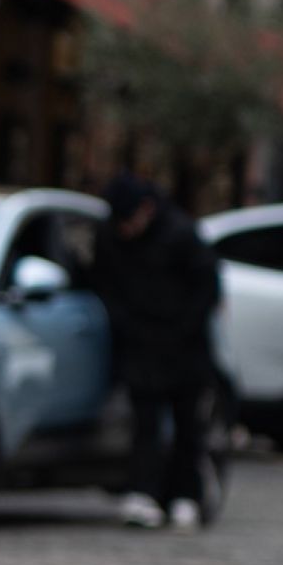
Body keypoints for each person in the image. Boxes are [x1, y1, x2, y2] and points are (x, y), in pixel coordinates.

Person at [92, 171, 222, 529]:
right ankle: (144, 492)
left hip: (184, 346)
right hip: (141, 343)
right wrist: (125, 324)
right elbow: (104, 284)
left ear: (146, 209)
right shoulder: (111, 236)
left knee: (187, 426)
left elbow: (206, 287)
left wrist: (183, 329)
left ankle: (185, 496)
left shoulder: (180, 233)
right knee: (145, 422)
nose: (125, 229)